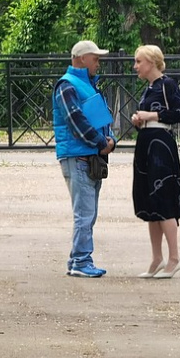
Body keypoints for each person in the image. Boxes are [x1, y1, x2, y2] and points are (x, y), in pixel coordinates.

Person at [52, 40, 116, 278]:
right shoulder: (68, 85)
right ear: (81, 59)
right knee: (85, 213)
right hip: (79, 156)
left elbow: (102, 120)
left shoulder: (84, 85)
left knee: (88, 212)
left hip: (87, 156)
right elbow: (76, 121)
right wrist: (103, 143)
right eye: (95, 58)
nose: (98, 63)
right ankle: (80, 261)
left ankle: (78, 260)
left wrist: (110, 141)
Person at [130, 44, 180, 279]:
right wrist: (138, 120)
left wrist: (150, 115)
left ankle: (174, 258)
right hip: (146, 142)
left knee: (163, 199)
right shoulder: (150, 88)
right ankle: (157, 258)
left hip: (161, 145)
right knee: (150, 201)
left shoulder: (168, 85)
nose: (135, 66)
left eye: (139, 61)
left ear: (151, 62)